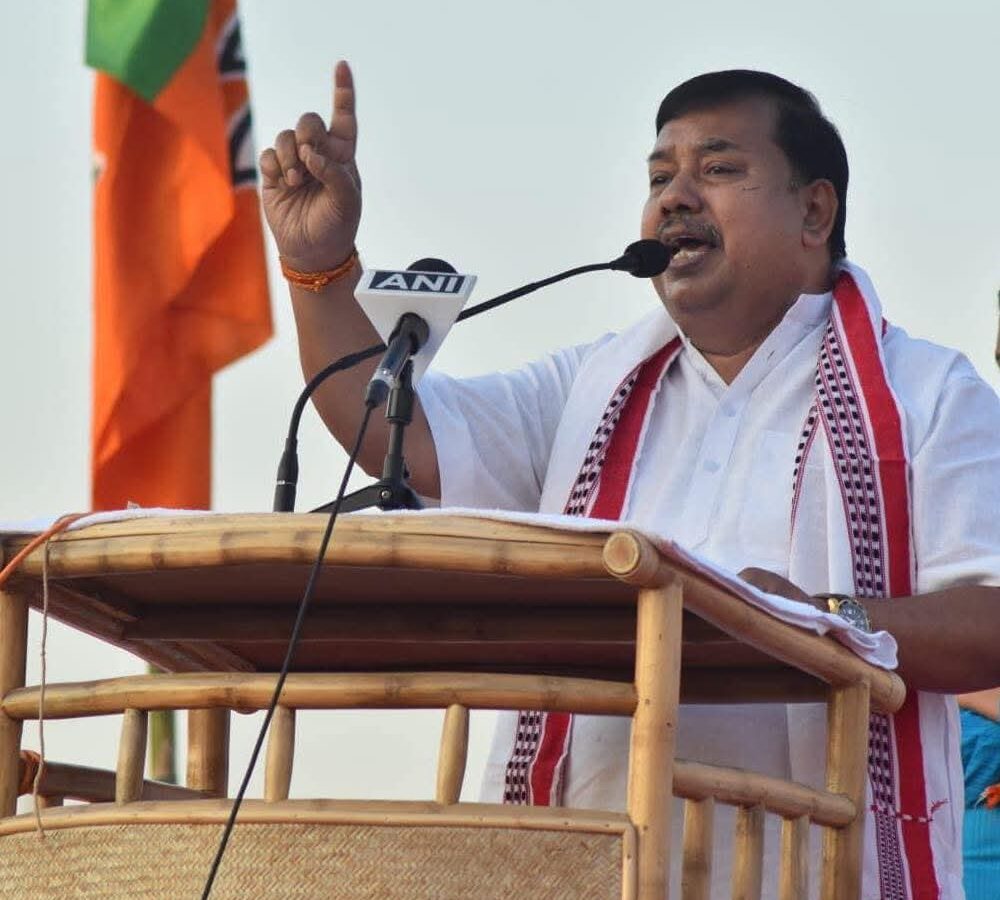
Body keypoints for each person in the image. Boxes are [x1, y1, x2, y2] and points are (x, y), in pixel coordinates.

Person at [259, 63, 1000, 898]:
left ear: (814, 212)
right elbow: (402, 431)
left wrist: (817, 621)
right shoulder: (592, 388)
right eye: (658, 178)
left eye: (718, 168)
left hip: (817, 874)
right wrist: (319, 267)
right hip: (586, 875)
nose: (675, 197)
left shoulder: (928, 394)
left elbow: (991, 616)